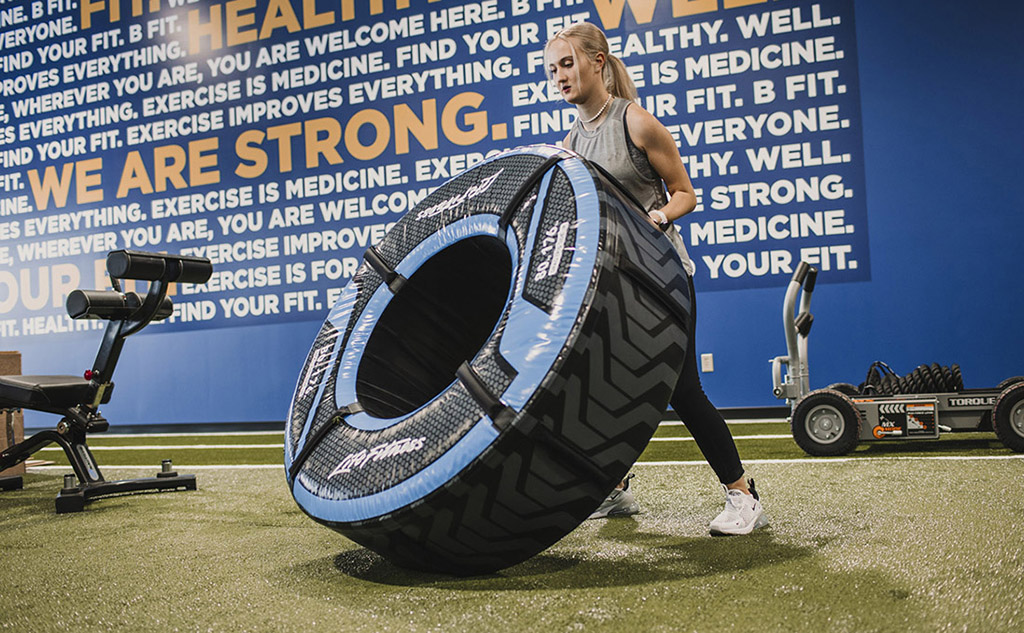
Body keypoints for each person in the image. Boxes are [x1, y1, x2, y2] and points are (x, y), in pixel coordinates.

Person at [544, 22, 767, 536]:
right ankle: (617, 489)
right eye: (553, 68)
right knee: (600, 387)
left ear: (597, 62)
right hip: (612, 284)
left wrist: (661, 218)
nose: (560, 76)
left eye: (567, 63)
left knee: (683, 390)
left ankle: (742, 495)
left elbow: (686, 193)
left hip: (664, 278)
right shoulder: (572, 141)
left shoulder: (636, 123)